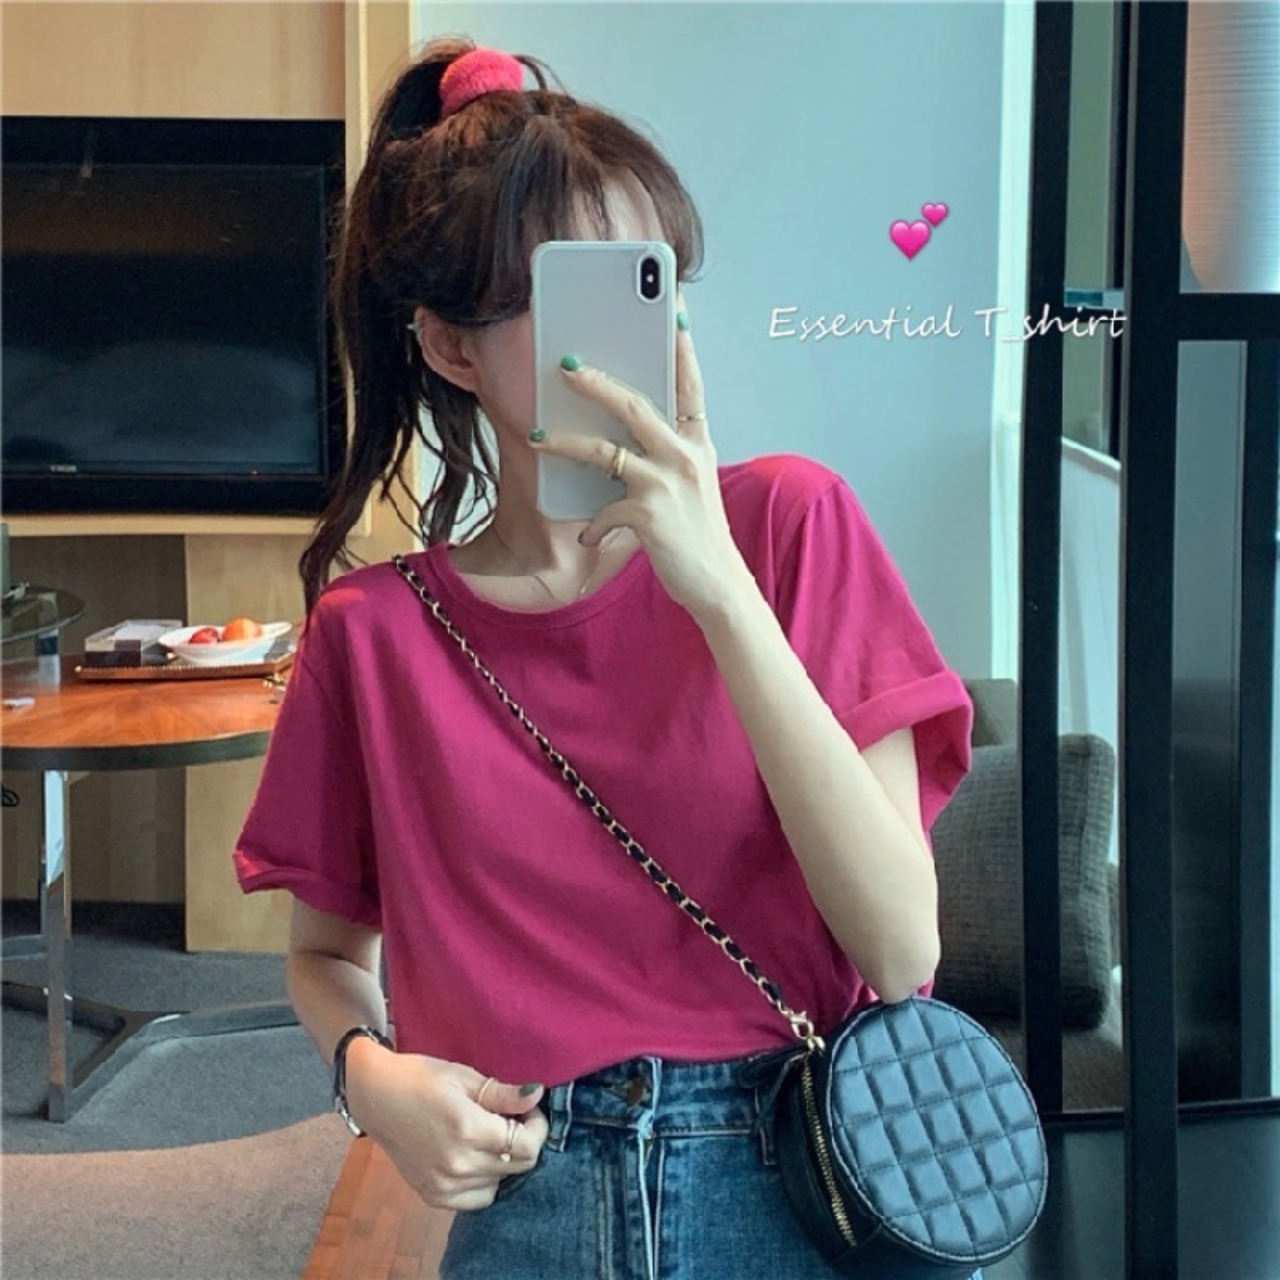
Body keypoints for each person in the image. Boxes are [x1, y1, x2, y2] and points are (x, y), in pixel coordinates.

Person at [235, 37, 975, 1280]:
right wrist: (371, 1079)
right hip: (532, 1196)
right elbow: (324, 954)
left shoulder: (790, 527)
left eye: (649, 280)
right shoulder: (373, 636)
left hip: (801, 1174)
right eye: (573, 293)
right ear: (451, 347)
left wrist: (718, 592)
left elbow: (900, 948)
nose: (638, 332)